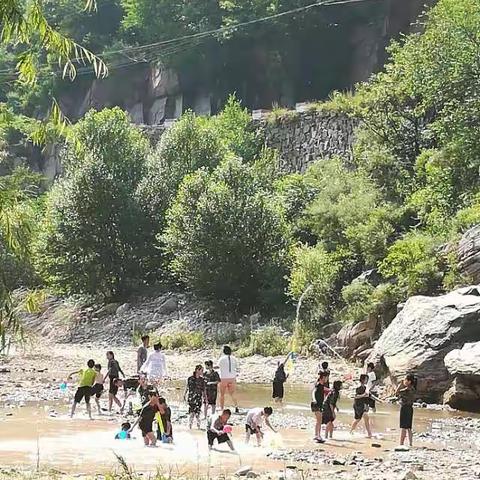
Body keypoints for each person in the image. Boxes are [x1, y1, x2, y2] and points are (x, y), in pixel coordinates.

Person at [396, 373, 417, 447]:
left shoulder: (406, 389)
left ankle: (401, 443)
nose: (404, 381)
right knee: (409, 427)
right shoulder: (413, 389)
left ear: (409, 381)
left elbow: (397, 393)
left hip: (404, 408)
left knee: (403, 427)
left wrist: (400, 385)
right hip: (410, 408)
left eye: (405, 380)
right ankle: (410, 443)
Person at [217, 345, 239, 413]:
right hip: (232, 378)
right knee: (232, 393)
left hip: (223, 378)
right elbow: (236, 367)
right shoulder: (234, 358)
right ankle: (236, 406)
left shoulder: (221, 359)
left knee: (222, 394)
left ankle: (222, 408)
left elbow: (219, 366)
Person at [185, 364, 206, 429]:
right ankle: (190, 426)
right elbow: (187, 387)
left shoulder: (202, 380)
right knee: (191, 413)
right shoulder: (190, 378)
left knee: (198, 413)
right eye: (201, 370)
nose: (202, 372)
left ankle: (198, 427)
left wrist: (205, 398)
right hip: (191, 398)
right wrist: (184, 394)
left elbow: (203, 390)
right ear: (197, 370)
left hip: (199, 397)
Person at [311, 371, 328, 443]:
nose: (327, 379)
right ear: (323, 378)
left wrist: (330, 390)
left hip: (318, 404)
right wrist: (314, 399)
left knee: (319, 420)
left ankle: (316, 435)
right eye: (326, 377)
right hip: (316, 404)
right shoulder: (318, 385)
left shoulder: (321, 385)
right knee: (319, 421)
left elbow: (323, 389)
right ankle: (318, 436)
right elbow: (313, 392)